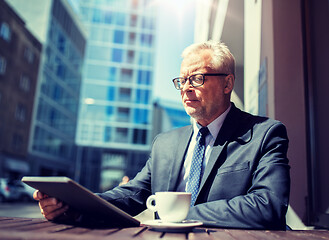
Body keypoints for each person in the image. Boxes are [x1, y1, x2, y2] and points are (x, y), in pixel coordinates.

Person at [34, 40, 290, 230]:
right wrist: (74, 205)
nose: (186, 88)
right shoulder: (165, 143)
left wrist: (180, 213)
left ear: (227, 84)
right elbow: (133, 195)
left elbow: (268, 205)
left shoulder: (264, 134)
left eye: (198, 78)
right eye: (182, 80)